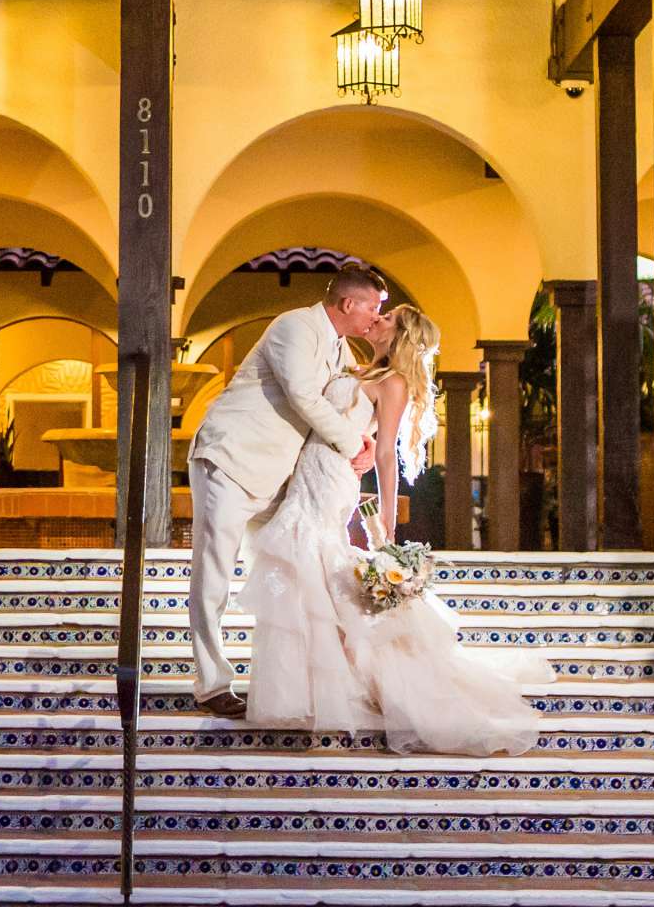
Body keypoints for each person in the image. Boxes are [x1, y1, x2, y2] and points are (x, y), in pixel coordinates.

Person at [240, 304, 551, 755]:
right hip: (312, 466)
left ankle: (332, 703)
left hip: (332, 478)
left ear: (399, 336)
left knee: (312, 560)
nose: (377, 319)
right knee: (308, 571)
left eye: (388, 319)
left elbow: (386, 453)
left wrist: (385, 520)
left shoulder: (394, 382)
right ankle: (313, 689)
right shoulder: (359, 367)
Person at [183, 262, 386, 714]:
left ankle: (294, 681)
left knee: (295, 572)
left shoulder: (341, 347)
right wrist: (355, 443)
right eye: (373, 307)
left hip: (281, 478)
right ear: (348, 303)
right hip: (232, 458)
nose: (375, 316)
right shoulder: (294, 326)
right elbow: (305, 396)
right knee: (214, 569)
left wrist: (373, 442)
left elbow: (353, 396)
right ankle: (211, 683)